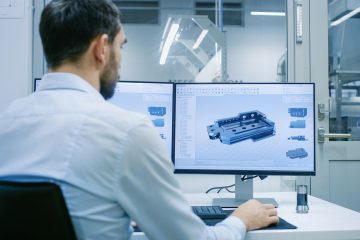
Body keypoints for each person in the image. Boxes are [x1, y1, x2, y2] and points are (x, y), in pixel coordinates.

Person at [0, 0, 279, 239]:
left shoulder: (7, 123)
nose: (120, 60)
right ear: (101, 48)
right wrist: (241, 220)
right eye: (121, 46)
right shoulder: (126, 131)